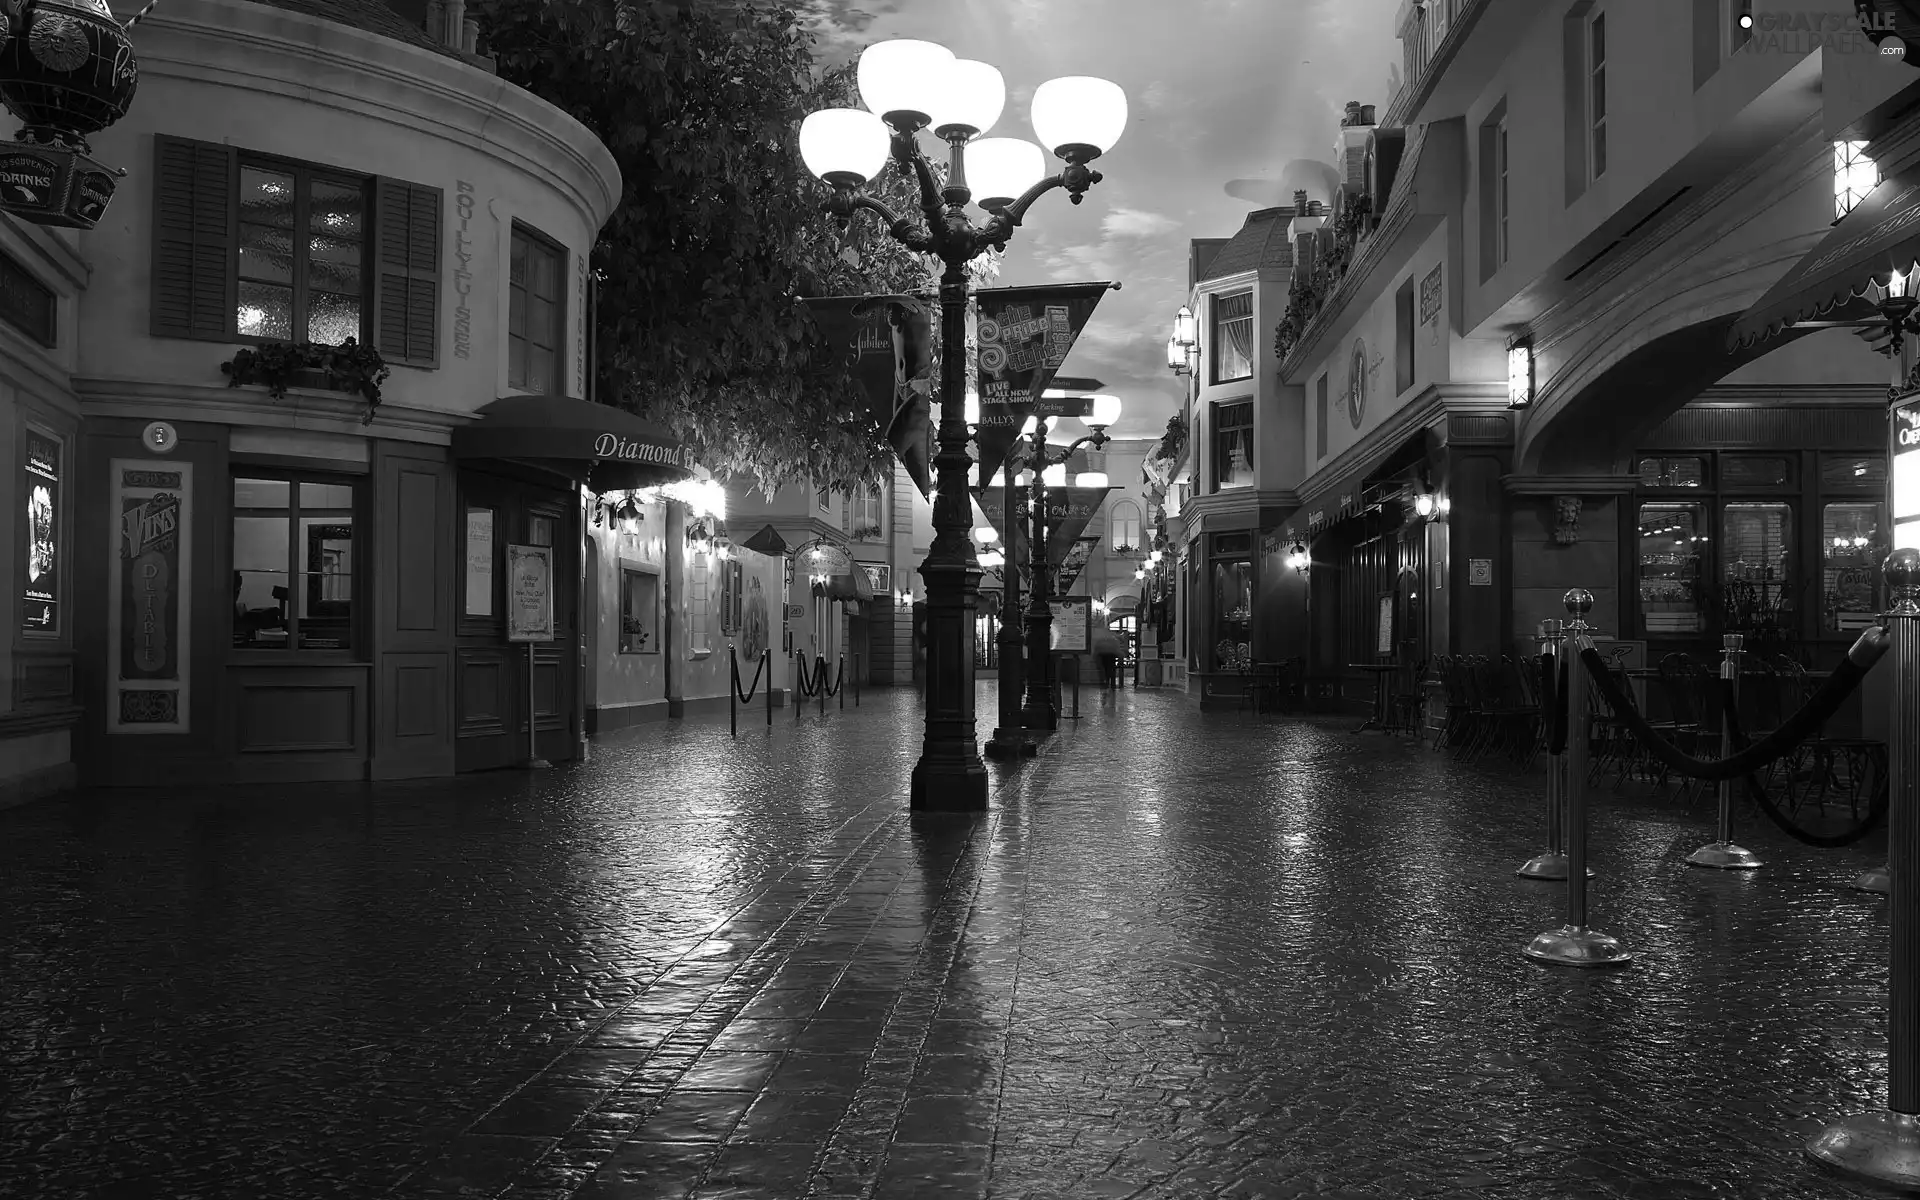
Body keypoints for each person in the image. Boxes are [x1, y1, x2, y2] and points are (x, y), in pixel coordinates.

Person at [1091, 621, 1120, 689]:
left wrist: (1095, 655)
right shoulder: (1113, 638)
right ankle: (1112, 685)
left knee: (1105, 670)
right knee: (1112, 670)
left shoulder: (1101, 639)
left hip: (1103, 656)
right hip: (1111, 656)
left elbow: (1097, 648)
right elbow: (1116, 647)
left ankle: (1106, 683)